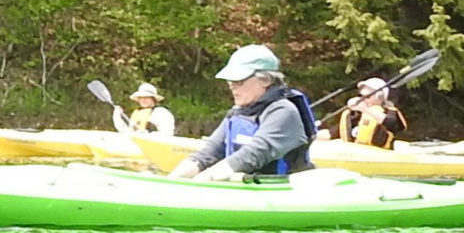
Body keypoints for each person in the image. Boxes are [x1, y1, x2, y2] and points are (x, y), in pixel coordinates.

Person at [170, 44, 316, 181]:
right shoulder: (238, 112)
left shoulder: (283, 112)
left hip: (281, 194)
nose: (232, 87)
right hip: (248, 190)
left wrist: (203, 179)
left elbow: (252, 155)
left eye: (238, 82)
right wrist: (172, 180)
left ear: (265, 80)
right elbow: (208, 154)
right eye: (230, 82)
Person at [325, 77, 408, 148]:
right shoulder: (356, 114)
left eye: (367, 96)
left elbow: (393, 125)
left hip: (381, 157)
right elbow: (332, 133)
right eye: (362, 96)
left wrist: (366, 110)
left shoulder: (390, 112)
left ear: (379, 97)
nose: (363, 99)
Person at [112, 82, 177, 136]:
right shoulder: (138, 113)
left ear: (153, 99)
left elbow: (167, 134)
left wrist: (147, 134)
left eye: (146, 97)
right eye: (141, 97)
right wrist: (117, 117)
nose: (143, 100)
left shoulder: (161, 112)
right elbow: (128, 133)